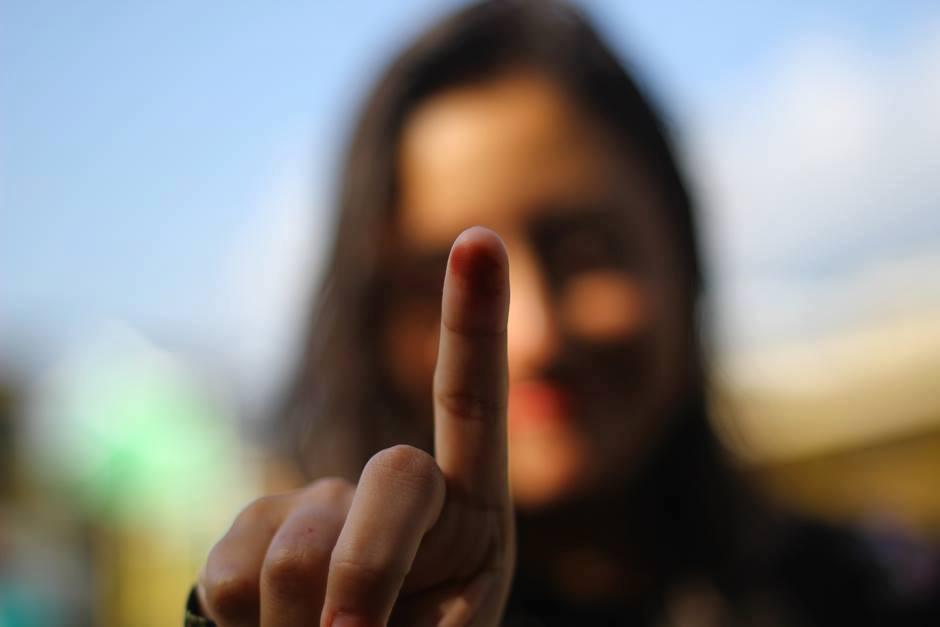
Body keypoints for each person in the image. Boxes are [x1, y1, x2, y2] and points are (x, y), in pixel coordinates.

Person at [186, 2, 939, 625]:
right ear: (367, 324)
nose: (534, 337)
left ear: (681, 252)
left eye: (586, 252)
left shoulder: (884, 591)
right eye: (445, 285)